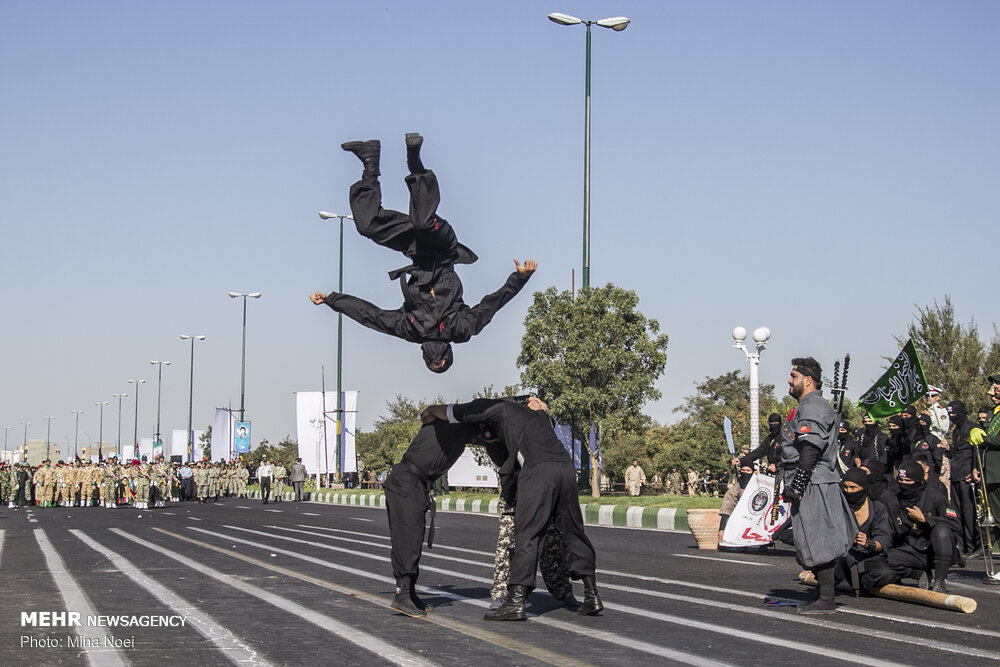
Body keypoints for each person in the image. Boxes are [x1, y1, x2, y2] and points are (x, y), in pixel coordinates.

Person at [310, 135, 536, 373]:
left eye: (430, 360)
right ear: (448, 353)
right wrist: (520, 278)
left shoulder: (410, 330)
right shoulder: (462, 328)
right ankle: (414, 162)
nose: (433, 352)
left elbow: (370, 316)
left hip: (414, 251)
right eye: (438, 358)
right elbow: (493, 302)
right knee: (424, 223)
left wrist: (332, 300)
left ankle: (370, 161)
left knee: (367, 226)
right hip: (443, 250)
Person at [421, 396, 603, 621]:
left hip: (538, 471)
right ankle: (592, 595)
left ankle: (515, 602)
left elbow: (462, 411)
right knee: (574, 530)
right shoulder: (538, 416)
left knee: (527, 534)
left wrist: (433, 409)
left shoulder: (499, 409)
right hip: (565, 469)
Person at [382, 419, 507, 618]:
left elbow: (485, 438)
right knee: (407, 540)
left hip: (415, 484)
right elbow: (483, 410)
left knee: (414, 540)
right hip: (405, 483)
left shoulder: (460, 430)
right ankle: (402, 595)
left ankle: (410, 593)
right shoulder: (452, 423)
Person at [779, 357, 854, 615]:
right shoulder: (807, 405)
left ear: (807, 380)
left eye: (794, 376)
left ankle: (827, 598)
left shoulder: (814, 405)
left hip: (814, 480)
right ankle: (824, 594)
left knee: (818, 538)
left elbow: (811, 446)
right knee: (811, 537)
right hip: (809, 479)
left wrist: (799, 482)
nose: (789, 381)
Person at [883, 459, 960, 592]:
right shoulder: (894, 500)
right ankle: (917, 574)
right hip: (911, 549)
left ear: (919, 481)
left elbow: (955, 524)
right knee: (880, 560)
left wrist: (925, 519)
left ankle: (940, 581)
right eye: (901, 481)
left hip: (935, 549)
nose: (903, 484)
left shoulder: (934, 497)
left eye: (908, 481)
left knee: (941, 530)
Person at [835, 468, 894, 594]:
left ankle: (857, 584)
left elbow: (883, 538)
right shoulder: (837, 505)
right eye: (845, 487)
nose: (848, 491)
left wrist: (868, 544)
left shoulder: (878, 508)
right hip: (841, 554)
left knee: (885, 574)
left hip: (867, 556)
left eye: (853, 488)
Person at [946, 401, 979, 556]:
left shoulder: (972, 427)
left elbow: (976, 451)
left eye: (954, 414)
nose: (952, 417)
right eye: (950, 414)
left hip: (967, 476)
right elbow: (957, 452)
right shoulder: (955, 430)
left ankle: (973, 546)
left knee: (969, 511)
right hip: (955, 474)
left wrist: (974, 469)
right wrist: (948, 449)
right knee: (957, 512)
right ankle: (962, 545)